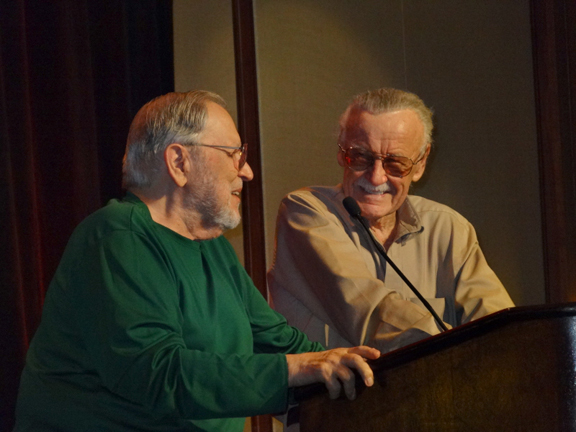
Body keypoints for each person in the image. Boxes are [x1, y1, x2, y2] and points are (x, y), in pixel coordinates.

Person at [14, 91, 380, 432]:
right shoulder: (116, 237)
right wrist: (296, 369)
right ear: (178, 162)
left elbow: (273, 341)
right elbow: (156, 373)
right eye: (233, 153)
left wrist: (357, 370)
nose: (247, 171)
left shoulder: (210, 244)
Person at [268, 87, 514, 354]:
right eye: (361, 157)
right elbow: (369, 311)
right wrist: (456, 349)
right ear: (341, 152)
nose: (376, 177)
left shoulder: (449, 229)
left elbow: (502, 330)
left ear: (420, 164)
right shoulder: (304, 213)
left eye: (395, 163)